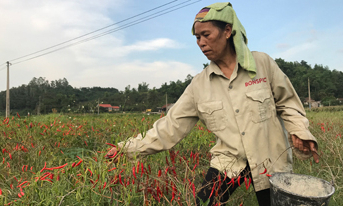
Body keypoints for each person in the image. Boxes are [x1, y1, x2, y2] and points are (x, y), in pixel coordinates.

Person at [106, 2, 319, 205]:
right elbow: (169, 127)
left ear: (227, 31)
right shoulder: (199, 85)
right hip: (228, 160)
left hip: (269, 158)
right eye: (197, 37)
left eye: (206, 35)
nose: (200, 42)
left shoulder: (262, 64)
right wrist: (126, 149)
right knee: (205, 201)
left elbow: (287, 102)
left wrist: (299, 131)